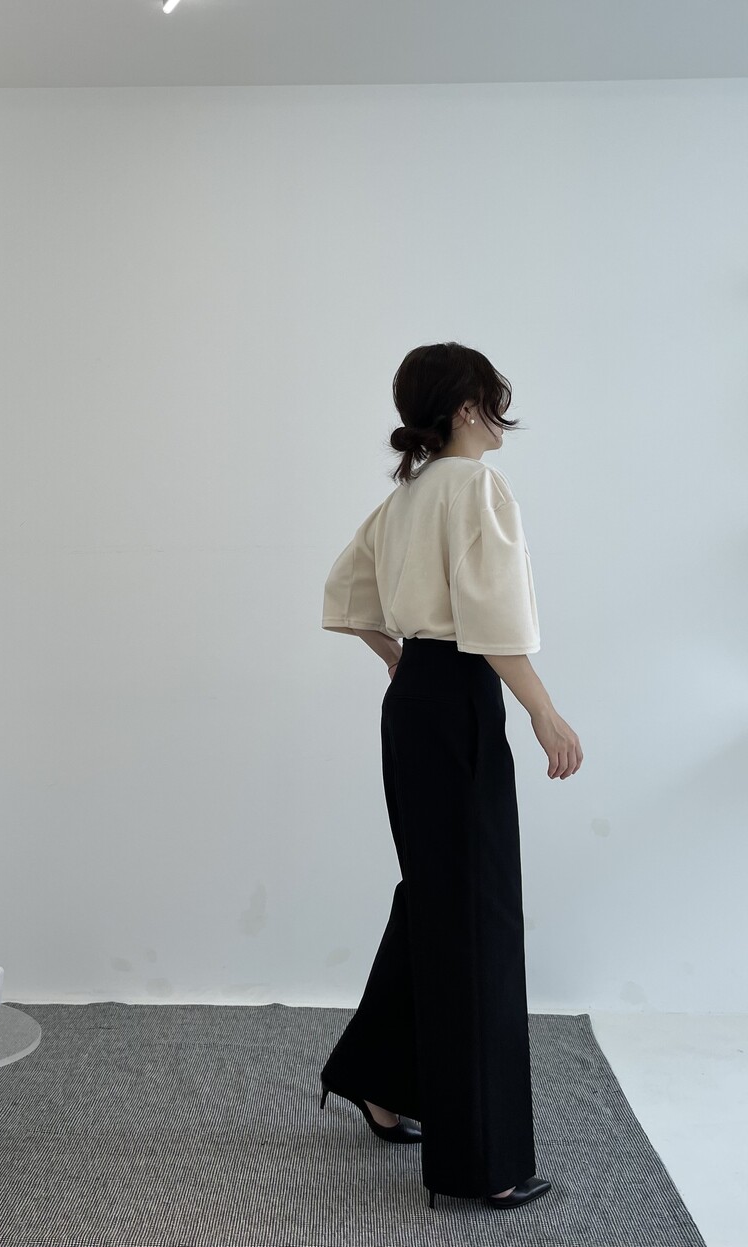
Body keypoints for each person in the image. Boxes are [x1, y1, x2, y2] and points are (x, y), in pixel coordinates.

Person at [319, 341, 582, 1212]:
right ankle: (482, 1163)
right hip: (463, 693)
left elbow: (343, 592)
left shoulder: (406, 495)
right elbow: (492, 618)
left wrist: (401, 660)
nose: (502, 416)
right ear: (468, 407)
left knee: (439, 893)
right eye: (493, 399)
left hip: (415, 702)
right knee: (476, 911)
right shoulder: (472, 487)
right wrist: (543, 710)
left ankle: (378, 1076)